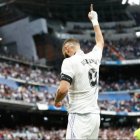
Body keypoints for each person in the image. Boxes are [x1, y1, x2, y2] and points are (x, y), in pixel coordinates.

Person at [54, 4, 104, 139]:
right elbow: (100, 42)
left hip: (79, 116)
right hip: (94, 117)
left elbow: (63, 89)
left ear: (69, 48)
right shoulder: (93, 57)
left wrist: (57, 100)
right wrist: (95, 21)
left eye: (65, 49)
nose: (64, 52)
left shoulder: (69, 61)